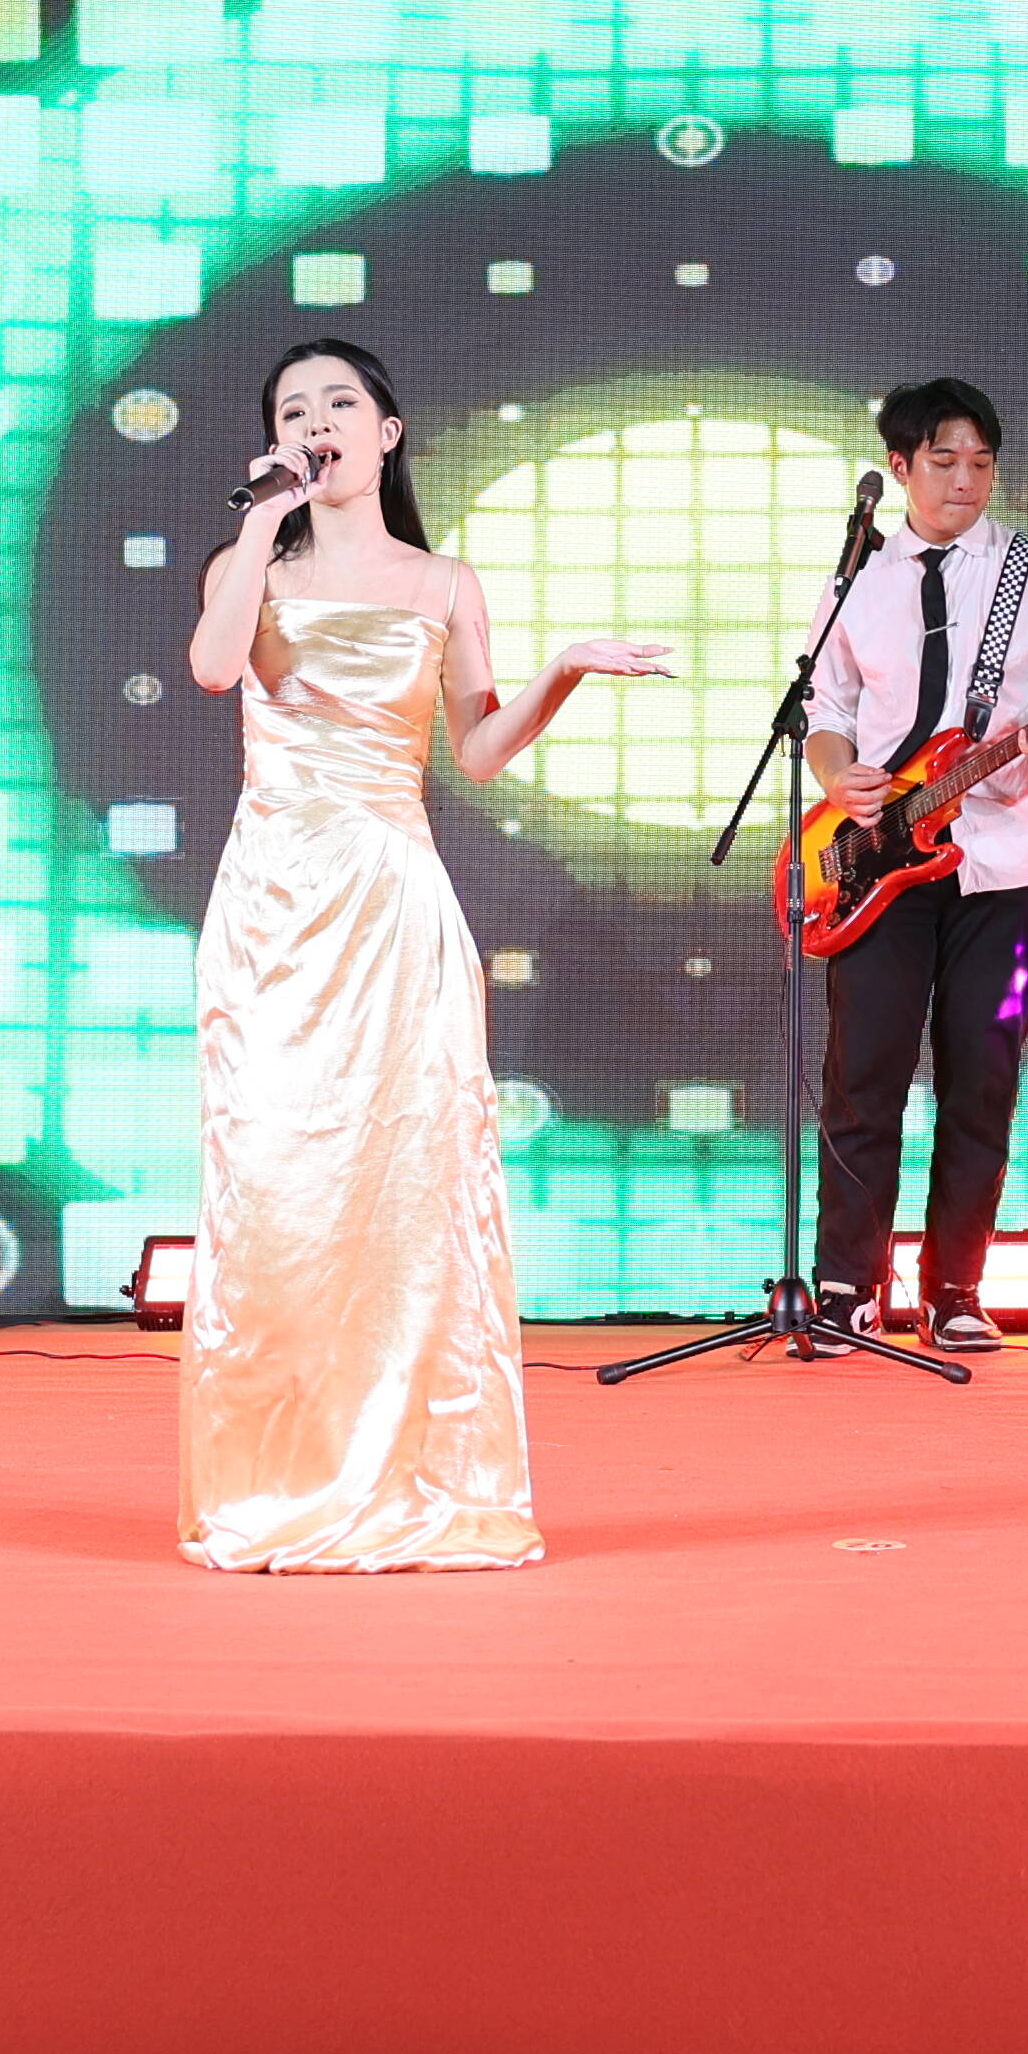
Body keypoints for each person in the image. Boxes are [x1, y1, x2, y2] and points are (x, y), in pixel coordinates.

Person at [175, 337, 664, 1570]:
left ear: (387, 431)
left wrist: (562, 671)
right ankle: (275, 1478)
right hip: (274, 904)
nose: (318, 421)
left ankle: (415, 1472)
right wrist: (261, 522)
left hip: (393, 899)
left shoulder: (445, 583)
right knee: (275, 1176)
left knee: (406, 1179)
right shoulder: (250, 564)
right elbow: (215, 667)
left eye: (340, 402)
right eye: (295, 409)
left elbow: (480, 752)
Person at [806, 378, 1028, 1352]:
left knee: (982, 1079)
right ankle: (847, 1288)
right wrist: (839, 776)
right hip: (878, 863)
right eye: (944, 461)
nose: (965, 479)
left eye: (981, 461)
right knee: (865, 1079)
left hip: (1004, 867)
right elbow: (824, 707)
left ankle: (956, 1290)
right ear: (901, 467)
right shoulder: (856, 578)